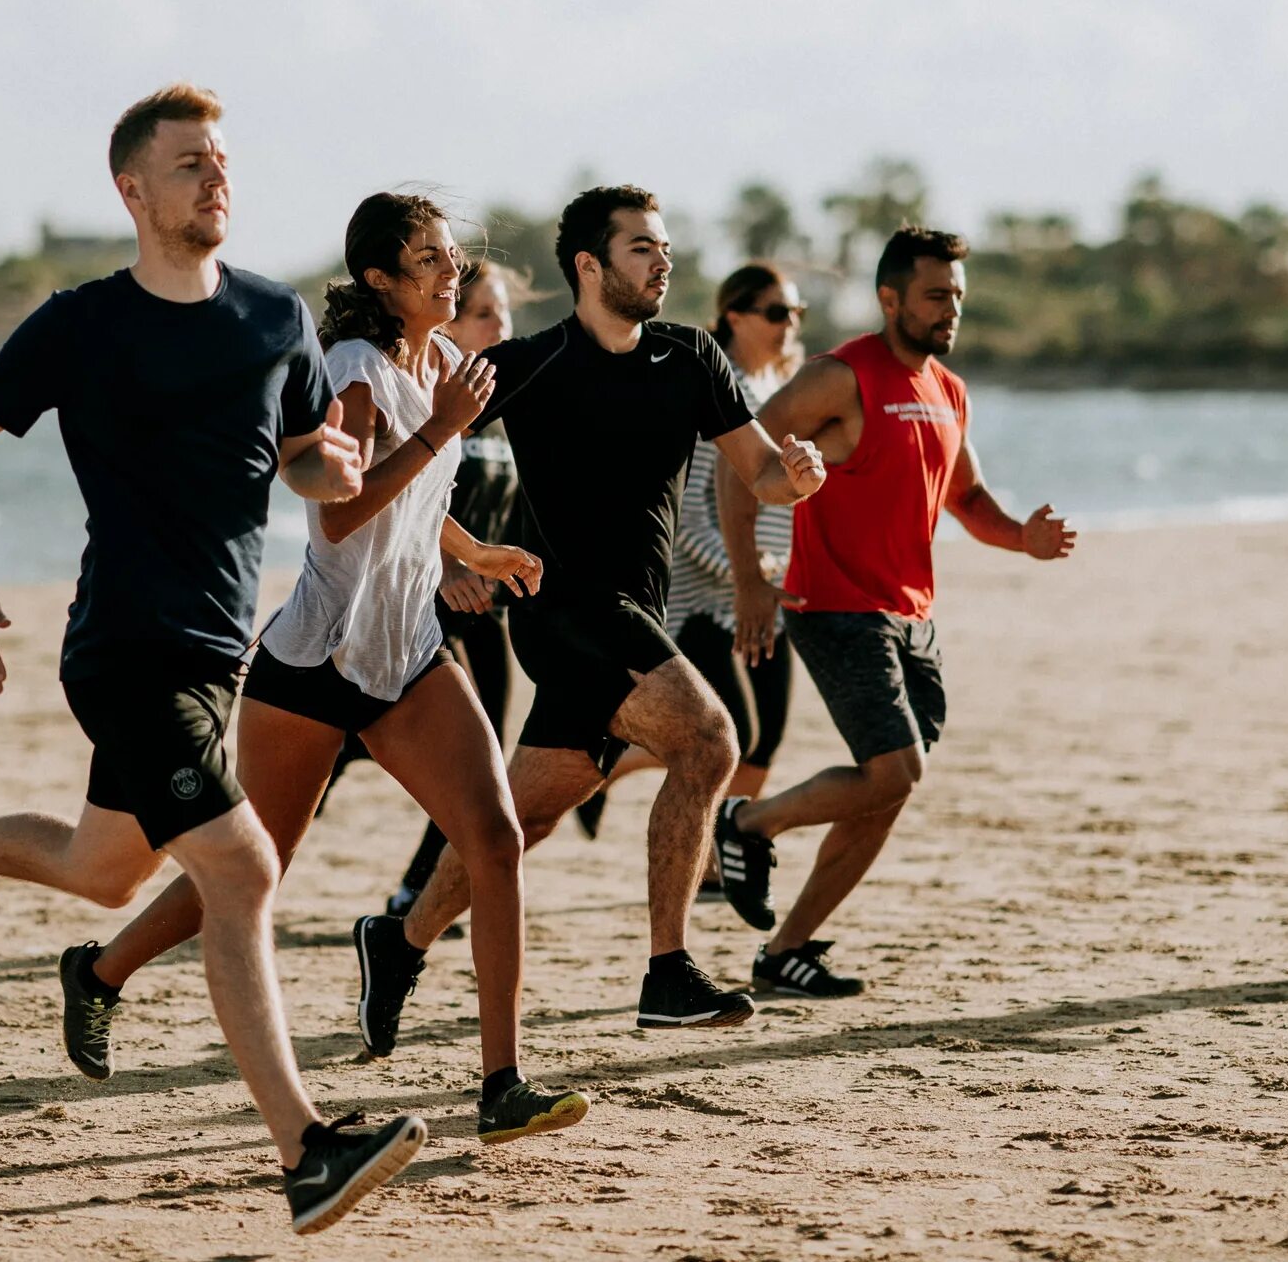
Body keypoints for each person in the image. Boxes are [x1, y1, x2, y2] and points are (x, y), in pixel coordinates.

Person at [0, 86, 427, 1234]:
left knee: (103, 872)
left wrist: (334, 472)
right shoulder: (83, 323)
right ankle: (306, 1149)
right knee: (244, 871)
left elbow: (306, 456)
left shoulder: (274, 318)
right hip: (122, 649)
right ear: (133, 190)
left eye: (222, 161)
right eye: (190, 164)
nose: (216, 179)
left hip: (217, 652)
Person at [58, 195, 591, 1146]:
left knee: (495, 838)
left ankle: (501, 1082)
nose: (449, 271)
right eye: (426, 260)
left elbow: (414, 502)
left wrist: (474, 553)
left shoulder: (440, 367)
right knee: (254, 867)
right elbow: (340, 514)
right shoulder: (353, 372)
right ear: (382, 281)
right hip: (313, 661)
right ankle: (100, 970)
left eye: (450, 256)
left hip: (407, 653)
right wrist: (441, 430)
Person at [354, 185, 828, 1045]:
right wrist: (451, 561)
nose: (663, 261)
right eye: (642, 247)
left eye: (663, 247)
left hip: (633, 612)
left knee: (522, 818)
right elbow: (410, 460)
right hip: (563, 607)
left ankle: (399, 939)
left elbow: (759, 471)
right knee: (711, 739)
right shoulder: (531, 362)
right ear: (589, 264)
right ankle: (667, 970)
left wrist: (795, 475)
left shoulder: (690, 357)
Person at [710, 225, 1076, 998]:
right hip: (835, 605)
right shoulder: (839, 376)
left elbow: (967, 499)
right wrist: (747, 577)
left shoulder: (948, 389)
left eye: (958, 297)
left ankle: (786, 951)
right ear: (890, 298)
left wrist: (1024, 539)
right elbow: (737, 461)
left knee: (889, 785)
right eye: (936, 295)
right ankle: (748, 824)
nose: (951, 310)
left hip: (912, 615)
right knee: (894, 767)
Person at [664, 262, 813, 906]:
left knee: (768, 736)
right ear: (735, 316)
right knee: (732, 735)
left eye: (797, 314)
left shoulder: (780, 391)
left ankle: (721, 853)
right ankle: (701, 862)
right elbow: (689, 514)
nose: (791, 326)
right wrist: (745, 575)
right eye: (777, 312)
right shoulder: (715, 394)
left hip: (768, 596)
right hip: (706, 602)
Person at [384, 259, 526, 918]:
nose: (503, 327)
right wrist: (448, 566)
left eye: (506, 313)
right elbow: (398, 496)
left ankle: (419, 882)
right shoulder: (433, 400)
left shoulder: (506, 404)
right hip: (428, 607)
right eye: (485, 314)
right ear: (452, 322)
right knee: (456, 759)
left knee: (482, 756)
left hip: (486, 613)